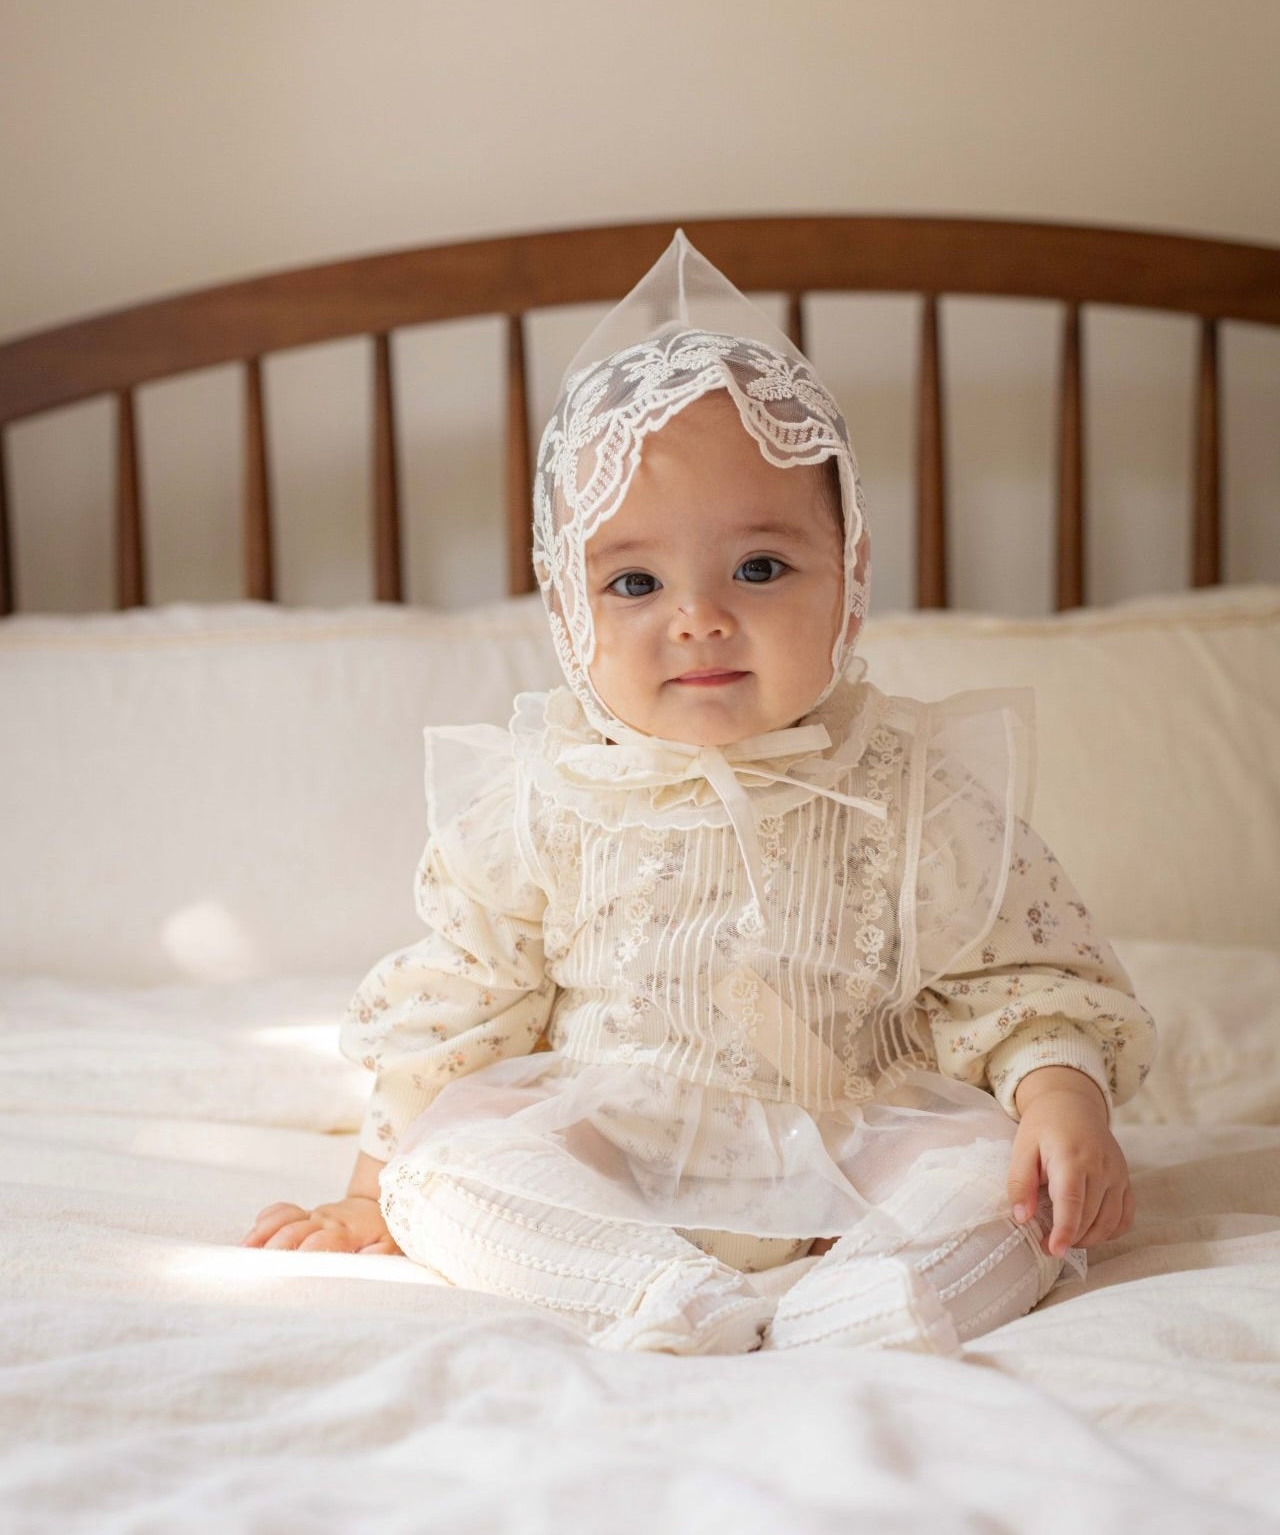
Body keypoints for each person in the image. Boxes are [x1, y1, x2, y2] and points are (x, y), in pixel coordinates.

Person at [241, 229, 1157, 1356]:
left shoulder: (913, 787)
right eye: (634, 580)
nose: (699, 618)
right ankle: (654, 1291)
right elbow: (460, 1006)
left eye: (759, 568)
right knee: (445, 1170)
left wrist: (1059, 1098)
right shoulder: (544, 800)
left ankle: (870, 1309)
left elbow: (1021, 979)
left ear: (850, 576)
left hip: (857, 1146)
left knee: (999, 1186)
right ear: (566, 608)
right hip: (611, 1152)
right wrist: (368, 1190)